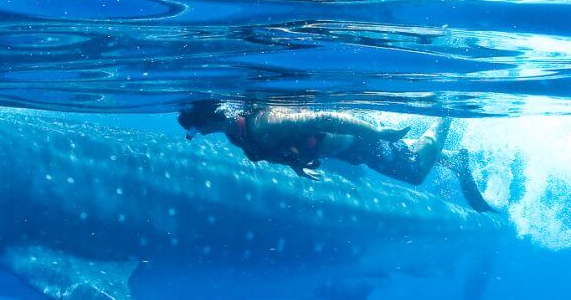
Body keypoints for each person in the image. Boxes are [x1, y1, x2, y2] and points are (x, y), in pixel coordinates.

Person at [177, 100, 449, 185]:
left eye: (194, 128)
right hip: (344, 151)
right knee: (403, 156)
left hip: (360, 142)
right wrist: (293, 163)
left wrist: (375, 132)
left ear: (210, 118)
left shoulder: (263, 123)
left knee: (415, 172)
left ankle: (445, 114)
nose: (196, 133)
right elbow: (266, 150)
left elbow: (326, 119)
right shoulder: (234, 131)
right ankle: (446, 154)